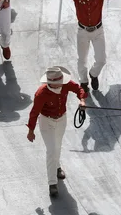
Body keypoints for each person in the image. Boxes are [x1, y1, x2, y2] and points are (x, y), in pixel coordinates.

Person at [59, 0, 121, 92]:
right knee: (82, 59)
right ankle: (83, 81)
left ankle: (93, 74)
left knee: (101, 59)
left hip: (98, 31)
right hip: (82, 31)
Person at [27, 67, 87, 197]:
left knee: (57, 146)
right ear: (51, 83)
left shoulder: (65, 84)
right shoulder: (41, 93)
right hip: (46, 122)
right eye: (59, 81)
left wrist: (82, 100)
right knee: (51, 150)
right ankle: (52, 183)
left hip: (62, 119)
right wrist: (31, 130)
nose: (63, 82)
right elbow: (34, 113)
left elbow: (78, 89)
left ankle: (57, 167)